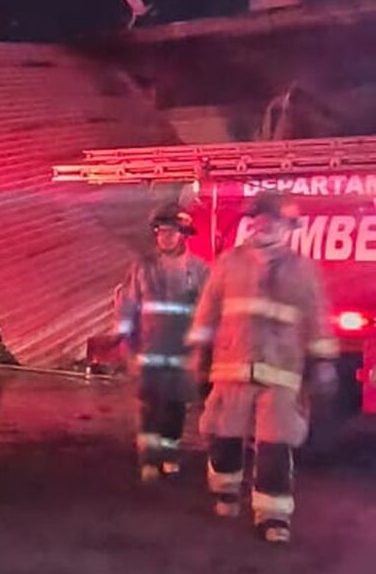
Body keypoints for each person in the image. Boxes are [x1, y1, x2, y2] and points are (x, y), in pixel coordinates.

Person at [187, 190, 338, 544]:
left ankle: (272, 516)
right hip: (231, 368)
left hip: (280, 373)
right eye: (258, 218)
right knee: (222, 438)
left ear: (287, 227)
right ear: (250, 223)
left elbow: (316, 320)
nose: (263, 225)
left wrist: (323, 362)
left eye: (272, 219)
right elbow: (207, 311)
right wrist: (199, 353)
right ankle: (225, 491)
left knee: (274, 446)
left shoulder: (302, 270)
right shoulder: (229, 263)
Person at [116, 203, 209, 482]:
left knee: (176, 405)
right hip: (149, 349)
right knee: (149, 404)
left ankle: (169, 455)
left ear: (183, 235)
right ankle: (148, 460)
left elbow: (208, 311)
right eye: (161, 231)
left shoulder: (199, 270)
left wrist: (201, 351)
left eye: (171, 231)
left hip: (183, 350)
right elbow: (128, 306)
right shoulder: (142, 267)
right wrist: (126, 345)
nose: (165, 237)